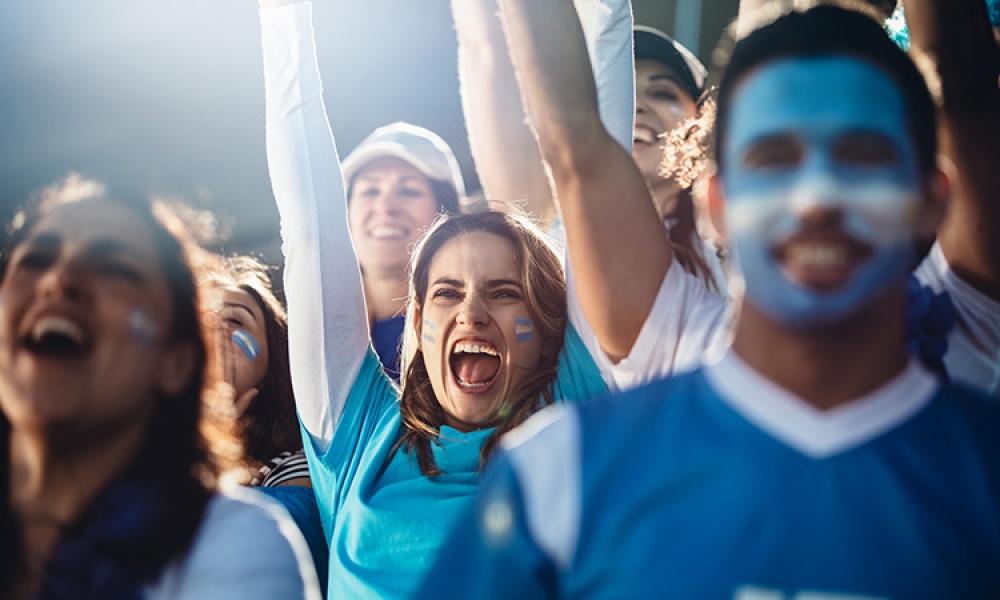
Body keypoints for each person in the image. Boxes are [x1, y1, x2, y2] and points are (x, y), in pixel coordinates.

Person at [416, 2, 1000, 597]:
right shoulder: (557, 473)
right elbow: (575, 143)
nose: (816, 197)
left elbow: (963, 72)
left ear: (934, 199)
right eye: (774, 159)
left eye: (862, 156)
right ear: (716, 203)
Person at [258, 1, 608, 598]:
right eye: (447, 293)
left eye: (504, 292)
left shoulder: (578, 410)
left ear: (548, 327)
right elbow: (311, 227)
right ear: (417, 319)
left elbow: (594, 165)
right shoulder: (360, 434)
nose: (471, 313)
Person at [0, 178, 320, 599]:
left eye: (115, 268)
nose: (57, 279)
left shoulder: (241, 531)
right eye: (34, 259)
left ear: (177, 361)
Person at [452, 1, 724, 292]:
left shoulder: (733, 243)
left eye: (661, 92)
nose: (636, 106)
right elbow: (485, 48)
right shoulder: (548, 230)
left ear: (705, 122)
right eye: (624, 95)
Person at [201, 255, 328, 593]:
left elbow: (269, 552)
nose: (213, 327)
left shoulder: (293, 469)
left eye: (234, 319)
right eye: (197, 316)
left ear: (274, 365)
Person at [343, 122, 466, 382]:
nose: (385, 207)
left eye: (409, 190)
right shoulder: (314, 331)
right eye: (370, 191)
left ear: (447, 213)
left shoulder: (471, 326)